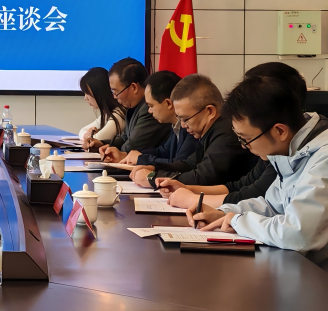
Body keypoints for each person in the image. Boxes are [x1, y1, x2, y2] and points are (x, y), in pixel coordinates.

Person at [187, 76, 328, 267]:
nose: (244, 146)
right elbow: (272, 206)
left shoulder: (323, 158)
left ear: (280, 131)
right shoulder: (293, 149)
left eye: (246, 139)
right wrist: (223, 213)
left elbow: (297, 234)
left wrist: (237, 221)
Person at [160, 62, 308, 208]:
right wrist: (188, 189)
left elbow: (254, 197)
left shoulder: (236, 133)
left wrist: (193, 199)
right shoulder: (272, 147)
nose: (243, 145)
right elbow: (242, 185)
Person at [133, 73, 256, 188]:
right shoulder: (209, 130)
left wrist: (153, 178)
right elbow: (189, 164)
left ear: (210, 111)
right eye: (179, 119)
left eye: (186, 119)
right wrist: (154, 168)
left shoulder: (227, 132)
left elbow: (203, 178)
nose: (182, 125)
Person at [116, 70, 197, 166]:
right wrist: (127, 155)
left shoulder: (191, 127)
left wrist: (141, 159)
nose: (149, 111)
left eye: (151, 106)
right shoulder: (175, 126)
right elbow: (162, 152)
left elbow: (180, 164)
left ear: (168, 103)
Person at [99, 58, 171, 159]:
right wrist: (101, 144)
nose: (114, 97)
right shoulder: (133, 107)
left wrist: (112, 151)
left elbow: (132, 146)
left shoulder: (149, 110)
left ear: (134, 87)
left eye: (116, 92)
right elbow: (125, 138)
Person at [77, 67, 126, 151]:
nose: (85, 98)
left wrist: (89, 137)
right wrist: (88, 135)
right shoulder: (108, 113)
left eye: (87, 93)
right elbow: (82, 131)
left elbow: (96, 140)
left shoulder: (119, 114)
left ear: (99, 92)